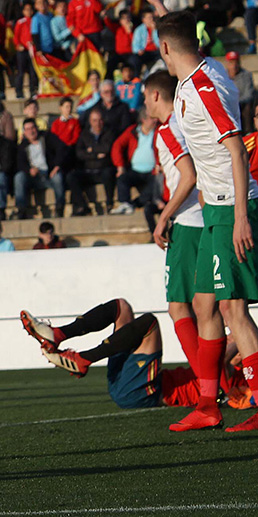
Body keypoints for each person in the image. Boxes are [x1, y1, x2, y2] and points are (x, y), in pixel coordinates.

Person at [153, 4, 258, 432]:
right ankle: (207, 403)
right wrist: (161, 11)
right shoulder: (201, 67)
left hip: (230, 206)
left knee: (233, 308)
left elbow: (236, 150)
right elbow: (177, 30)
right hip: (216, 203)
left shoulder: (201, 90)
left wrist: (239, 219)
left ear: (164, 48)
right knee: (203, 304)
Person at [20, 299, 252, 410]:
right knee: (120, 308)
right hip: (131, 379)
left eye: (235, 340)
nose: (231, 337)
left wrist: (240, 343)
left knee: (149, 322)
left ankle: (83, 359)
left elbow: (220, 356)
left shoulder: (238, 380)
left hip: (144, 391)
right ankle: (58, 334)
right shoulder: (232, 368)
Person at [144, 70, 204, 383]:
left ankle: (208, 382)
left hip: (188, 222)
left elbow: (188, 175)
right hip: (205, 218)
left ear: (156, 95)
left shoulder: (167, 130)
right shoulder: (188, 121)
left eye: (145, 96)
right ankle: (217, 380)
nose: (144, 103)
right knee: (205, 308)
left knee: (178, 307)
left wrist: (164, 217)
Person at [15, 118, 67, 219]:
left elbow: (62, 148)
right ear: (24, 132)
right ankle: (21, 209)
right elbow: (19, 163)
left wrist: (56, 166)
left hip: (49, 174)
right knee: (19, 177)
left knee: (58, 177)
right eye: (27, 129)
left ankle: (59, 208)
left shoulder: (47, 138)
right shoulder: (22, 146)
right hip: (33, 176)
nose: (31, 131)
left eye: (32, 128)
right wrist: (29, 170)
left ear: (37, 128)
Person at [110, 109, 159, 215]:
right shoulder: (133, 131)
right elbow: (117, 145)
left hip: (153, 171)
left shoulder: (159, 131)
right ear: (143, 120)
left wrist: (159, 164)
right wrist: (120, 165)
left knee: (155, 185)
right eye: (152, 118)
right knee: (122, 178)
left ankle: (134, 204)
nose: (155, 120)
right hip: (135, 170)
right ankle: (124, 203)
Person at [70, 108, 116, 216]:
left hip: (103, 169)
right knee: (71, 177)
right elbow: (79, 153)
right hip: (88, 170)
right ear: (90, 121)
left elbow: (107, 148)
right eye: (95, 120)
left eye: (100, 120)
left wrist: (90, 150)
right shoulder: (84, 134)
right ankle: (82, 206)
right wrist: (96, 154)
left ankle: (109, 204)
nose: (98, 123)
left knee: (109, 173)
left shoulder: (109, 132)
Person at [224, 51, 257, 134]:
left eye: (236, 62)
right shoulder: (222, 76)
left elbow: (249, 94)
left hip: (242, 104)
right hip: (228, 105)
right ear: (227, 64)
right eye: (231, 63)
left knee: (248, 107)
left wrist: (237, 102)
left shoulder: (246, 75)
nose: (234, 66)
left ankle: (248, 132)